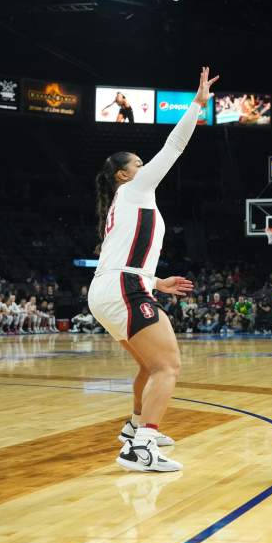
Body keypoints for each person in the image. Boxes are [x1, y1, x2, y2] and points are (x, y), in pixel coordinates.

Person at [88, 66, 219, 473]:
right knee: (168, 366)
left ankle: (134, 427)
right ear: (123, 174)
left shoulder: (125, 201)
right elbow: (175, 145)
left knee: (150, 365)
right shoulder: (135, 189)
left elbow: (123, 255)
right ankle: (140, 448)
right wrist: (197, 105)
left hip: (110, 288)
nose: (145, 167)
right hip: (123, 288)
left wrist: (155, 281)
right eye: (139, 164)